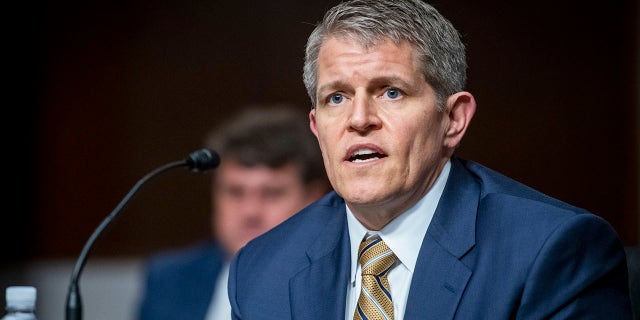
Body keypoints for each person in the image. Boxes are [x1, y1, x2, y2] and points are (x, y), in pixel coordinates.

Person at [228, 0, 632, 319]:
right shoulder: (263, 268)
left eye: (391, 92)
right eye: (337, 97)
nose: (359, 119)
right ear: (316, 127)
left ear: (454, 119)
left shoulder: (550, 252)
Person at [137, 105, 329, 320]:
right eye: (235, 192)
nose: (250, 211)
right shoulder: (169, 281)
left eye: (271, 193)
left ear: (315, 199)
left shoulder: (338, 283)